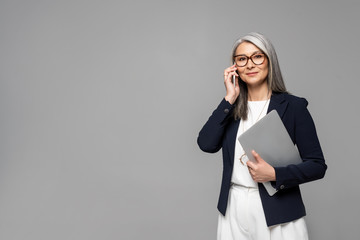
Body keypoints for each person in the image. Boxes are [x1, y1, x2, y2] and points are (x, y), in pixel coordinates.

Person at [197, 32, 327, 240]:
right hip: (233, 208)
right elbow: (206, 144)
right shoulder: (231, 108)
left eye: (257, 56)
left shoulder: (293, 107)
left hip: (279, 211)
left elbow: (317, 165)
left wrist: (275, 174)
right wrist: (229, 99)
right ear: (234, 67)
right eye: (242, 59)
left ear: (269, 60)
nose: (249, 64)